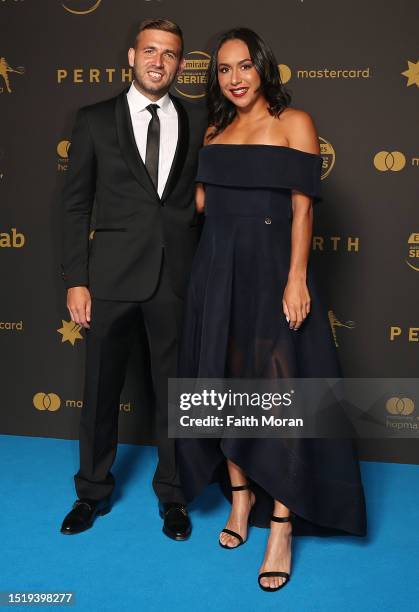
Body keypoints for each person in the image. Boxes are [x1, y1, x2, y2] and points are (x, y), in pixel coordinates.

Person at [176, 28, 367, 591]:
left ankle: (280, 524)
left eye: (244, 67)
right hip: (217, 271)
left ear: (263, 69)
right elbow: (203, 205)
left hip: (272, 271)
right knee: (226, 384)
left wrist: (297, 278)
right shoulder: (215, 129)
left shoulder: (295, 124)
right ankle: (241, 498)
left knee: (280, 393)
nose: (234, 78)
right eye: (223, 70)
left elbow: (303, 211)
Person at [60, 18, 206, 540]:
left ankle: (174, 496)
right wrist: (77, 279)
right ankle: (91, 493)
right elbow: (75, 203)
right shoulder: (95, 119)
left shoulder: (198, 117)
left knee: (175, 395)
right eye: (150, 51)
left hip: (176, 276)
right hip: (111, 277)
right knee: (100, 389)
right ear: (131, 56)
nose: (158, 61)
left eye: (170, 54)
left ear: (180, 64)